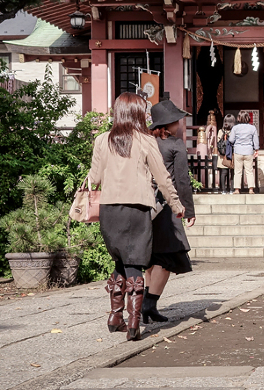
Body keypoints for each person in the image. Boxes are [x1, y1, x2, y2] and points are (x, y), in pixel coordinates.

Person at [89, 93, 185, 341]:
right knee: (134, 264)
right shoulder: (145, 141)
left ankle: (115, 316)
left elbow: (95, 178)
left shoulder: (102, 140)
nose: (147, 115)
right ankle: (133, 323)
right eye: (144, 110)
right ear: (137, 113)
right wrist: (175, 204)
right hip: (137, 209)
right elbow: (163, 177)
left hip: (109, 210)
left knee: (121, 261)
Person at [145, 99, 196, 323]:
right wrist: (189, 210)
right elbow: (182, 180)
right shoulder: (175, 145)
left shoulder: (144, 142)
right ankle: (148, 303)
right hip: (166, 206)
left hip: (143, 205)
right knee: (167, 258)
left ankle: (146, 306)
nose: (179, 123)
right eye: (177, 120)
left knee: (150, 257)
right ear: (170, 123)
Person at [228, 111, 259, 194]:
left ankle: (237, 189)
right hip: (248, 151)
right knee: (249, 171)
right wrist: (256, 150)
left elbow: (231, 140)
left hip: (238, 151)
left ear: (238, 118)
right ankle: (251, 189)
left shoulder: (235, 128)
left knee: (237, 171)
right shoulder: (252, 128)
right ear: (248, 118)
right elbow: (256, 141)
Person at [216, 114, 236, 193]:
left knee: (223, 173)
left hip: (222, 156)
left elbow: (218, 143)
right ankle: (232, 189)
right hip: (231, 155)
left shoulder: (220, 131)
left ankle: (223, 190)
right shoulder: (233, 131)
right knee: (233, 173)